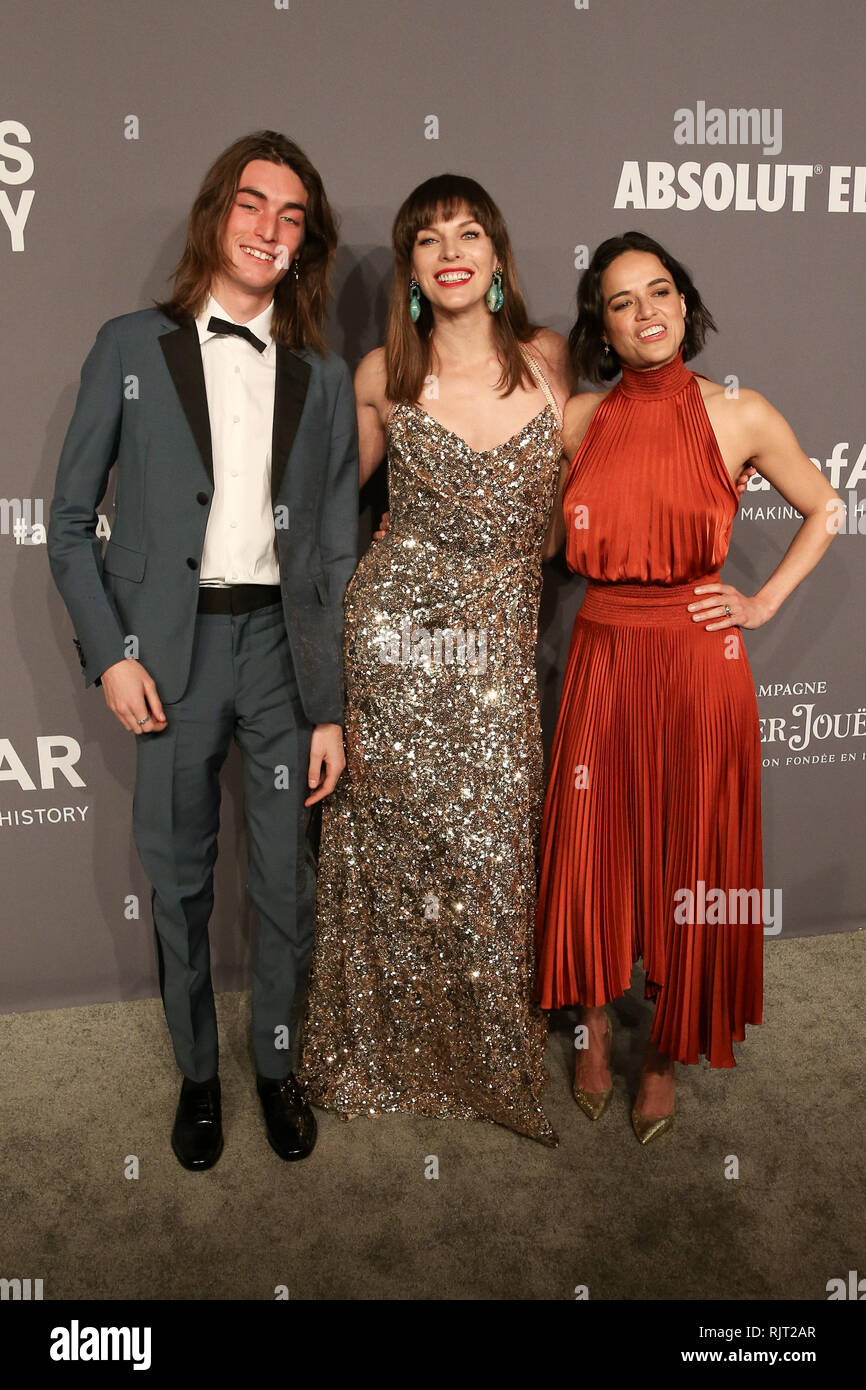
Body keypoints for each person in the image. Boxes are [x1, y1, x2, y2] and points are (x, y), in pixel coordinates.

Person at [48, 131, 359, 1170]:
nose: (269, 229)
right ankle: (197, 1076)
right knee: (178, 883)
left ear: (303, 242)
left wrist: (328, 705)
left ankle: (273, 1066)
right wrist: (113, 654)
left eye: (291, 216)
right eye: (251, 205)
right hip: (168, 654)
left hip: (276, 648)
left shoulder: (319, 375)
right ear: (214, 215)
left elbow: (328, 549)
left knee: (285, 886)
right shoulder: (130, 346)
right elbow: (66, 521)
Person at [535, 230, 838, 1142]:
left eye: (659, 292)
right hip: (601, 650)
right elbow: (547, 544)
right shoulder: (580, 420)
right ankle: (592, 1026)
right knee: (595, 843)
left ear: (684, 302)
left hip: (699, 662)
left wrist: (762, 601)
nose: (646, 313)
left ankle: (663, 1048)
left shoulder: (737, 413)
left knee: (688, 855)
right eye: (622, 302)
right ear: (604, 325)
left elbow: (826, 506)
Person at [297, 175, 571, 1146]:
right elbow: (330, 516)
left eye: (467, 231)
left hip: (498, 645)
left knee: (492, 850)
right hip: (394, 639)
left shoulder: (550, 362)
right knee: (392, 850)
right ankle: (383, 1051)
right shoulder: (380, 374)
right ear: (411, 269)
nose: (447, 248)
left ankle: (488, 1062)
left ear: (496, 256)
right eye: (425, 237)